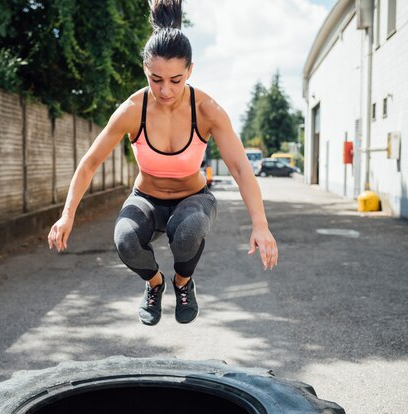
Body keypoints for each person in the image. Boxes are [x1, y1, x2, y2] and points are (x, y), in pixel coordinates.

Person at [48, 0, 278, 326]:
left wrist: (261, 224)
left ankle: (183, 283)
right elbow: (90, 162)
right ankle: (154, 284)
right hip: (146, 200)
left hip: (193, 198)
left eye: (176, 80)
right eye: (156, 79)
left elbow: (241, 169)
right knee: (125, 239)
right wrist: (67, 214)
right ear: (145, 69)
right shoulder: (132, 110)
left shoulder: (208, 110)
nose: (166, 90)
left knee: (187, 231)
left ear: (190, 71)